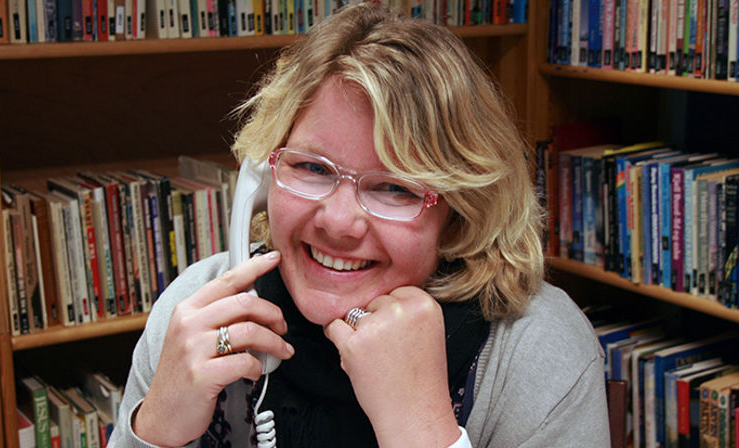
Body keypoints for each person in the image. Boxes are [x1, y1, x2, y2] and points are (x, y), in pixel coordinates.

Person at [109, 3, 610, 447]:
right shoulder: (199, 310)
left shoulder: (537, 349)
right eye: (310, 168)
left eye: (396, 188)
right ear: (262, 176)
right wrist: (154, 431)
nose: (340, 222)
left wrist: (422, 431)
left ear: (459, 212)